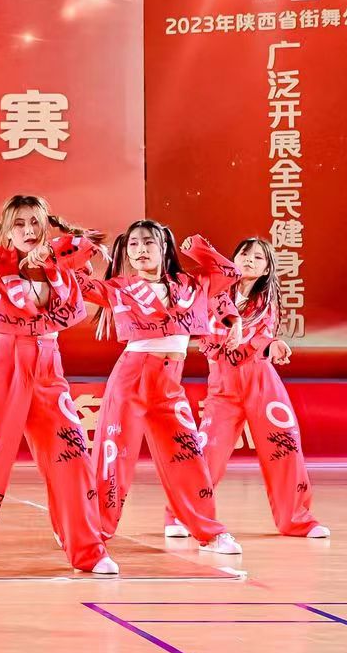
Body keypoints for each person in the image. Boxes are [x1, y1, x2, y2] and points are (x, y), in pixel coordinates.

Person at [0, 197, 118, 578]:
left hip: (48, 366)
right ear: (5, 231)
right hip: (4, 362)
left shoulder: (59, 264)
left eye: (34, 222)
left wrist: (57, 256)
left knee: (72, 454)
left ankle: (88, 550)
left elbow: (85, 251)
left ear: (45, 226)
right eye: (19, 224)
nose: (28, 230)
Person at [76, 221, 243, 555]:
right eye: (134, 244)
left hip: (169, 384)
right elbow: (77, 284)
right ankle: (94, 531)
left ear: (165, 246)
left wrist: (196, 247)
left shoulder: (191, 285)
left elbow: (229, 273)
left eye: (149, 242)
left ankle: (208, 532)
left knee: (188, 456)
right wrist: (81, 249)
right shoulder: (120, 288)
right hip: (131, 379)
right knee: (114, 457)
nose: (140, 250)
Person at [191, 236, 327, 539]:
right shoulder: (211, 291)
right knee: (207, 451)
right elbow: (201, 328)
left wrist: (273, 345)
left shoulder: (266, 303)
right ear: (232, 260)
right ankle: (184, 515)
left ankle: (297, 519)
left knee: (284, 445)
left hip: (261, 382)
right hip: (223, 385)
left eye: (258, 258)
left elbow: (263, 337)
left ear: (267, 269)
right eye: (243, 254)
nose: (249, 260)